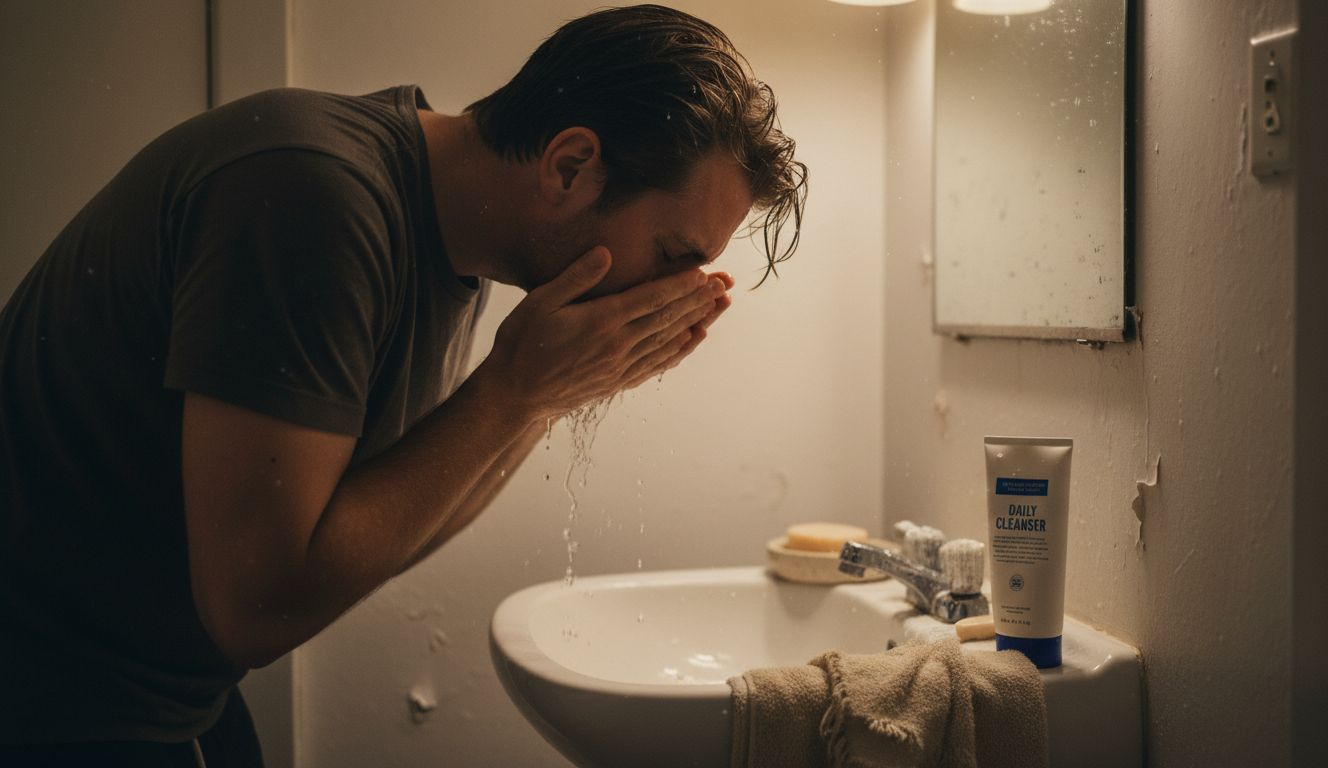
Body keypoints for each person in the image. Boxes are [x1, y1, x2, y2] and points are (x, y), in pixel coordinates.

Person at [0, 4, 806, 766]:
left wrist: (543, 392)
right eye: (672, 254)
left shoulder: (451, 235)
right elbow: (255, 607)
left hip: (155, 693)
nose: (673, 290)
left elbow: (393, 523)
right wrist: (514, 391)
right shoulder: (314, 196)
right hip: (53, 708)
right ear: (570, 165)